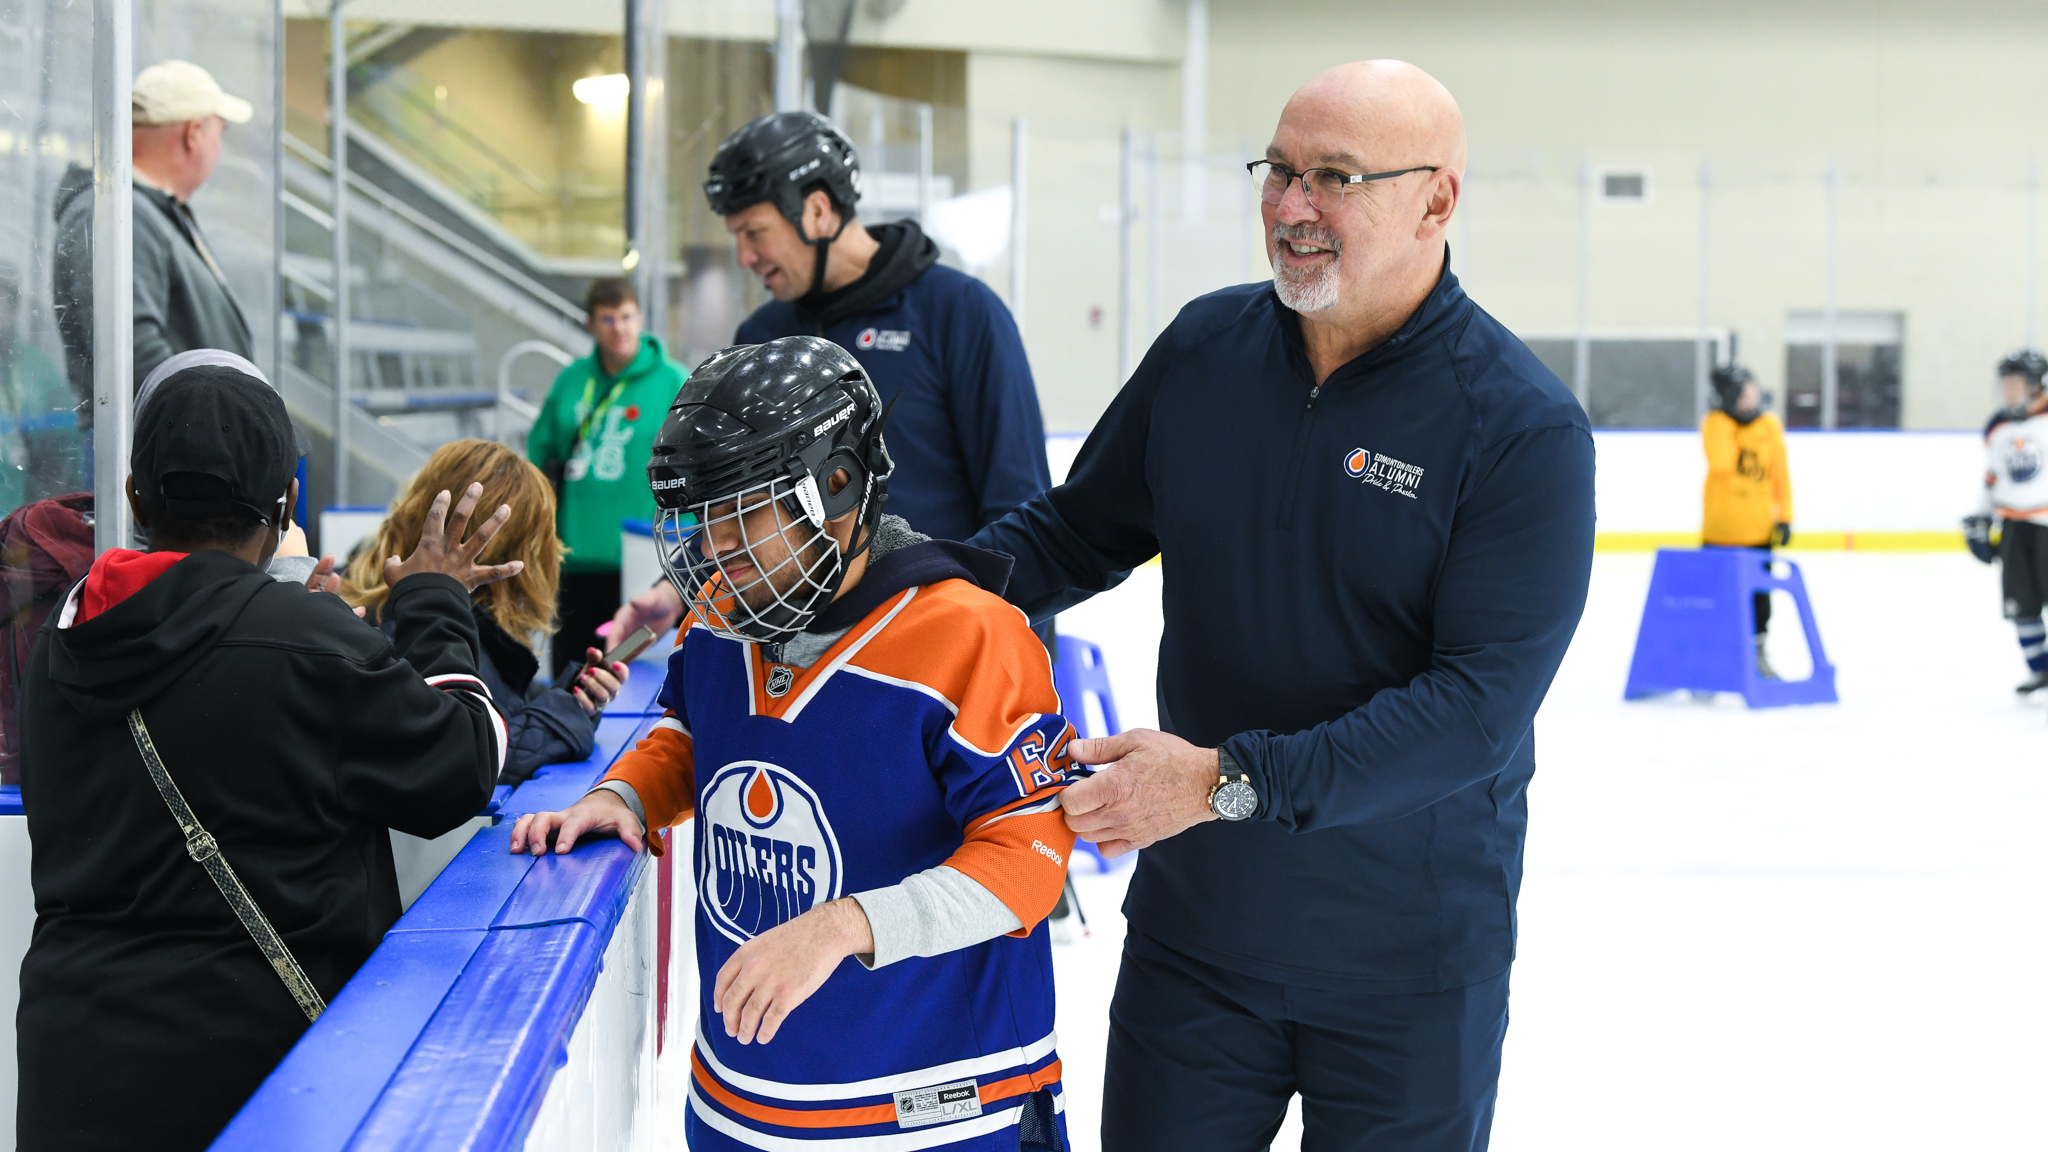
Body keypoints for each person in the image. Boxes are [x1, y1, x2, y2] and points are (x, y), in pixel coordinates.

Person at [966, 61, 1596, 1150]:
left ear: (1435, 199)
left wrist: (1220, 783)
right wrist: (878, 584)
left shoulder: (1517, 429)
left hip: (1409, 970)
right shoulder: (1205, 352)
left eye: (1334, 178)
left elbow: (1471, 712)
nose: (1291, 208)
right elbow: (1071, 533)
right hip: (1199, 947)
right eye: (1278, 170)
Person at [512, 337, 1079, 1151]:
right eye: (699, 521)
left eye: (739, 517)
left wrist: (843, 925)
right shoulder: (724, 615)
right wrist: (625, 794)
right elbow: (689, 729)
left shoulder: (973, 635)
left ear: (837, 486)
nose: (712, 550)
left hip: (936, 1111)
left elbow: (1030, 860)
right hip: (742, 1102)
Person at [15, 362, 519, 1151]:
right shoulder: (305, 643)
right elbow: (465, 759)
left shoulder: (61, 641)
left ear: (135, 497)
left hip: (72, 1071)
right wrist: (434, 598)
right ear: (287, 503)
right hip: (258, 1086)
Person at [608, 111, 1051, 643]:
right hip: (796, 655)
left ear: (817, 210)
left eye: (755, 233)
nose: (745, 257)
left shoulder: (959, 313)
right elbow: (735, 497)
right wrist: (675, 590)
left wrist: (1001, 653)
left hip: (930, 647)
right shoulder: (764, 333)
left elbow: (1018, 505)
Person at [345, 439, 630, 785]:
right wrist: (564, 715)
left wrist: (569, 698)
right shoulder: (413, 630)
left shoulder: (418, 614)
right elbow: (474, 754)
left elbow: (496, 704)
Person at [52, 60, 255, 432]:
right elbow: (133, 353)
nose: (219, 149)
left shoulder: (141, 210)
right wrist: (212, 433)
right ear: (193, 133)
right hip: (160, 460)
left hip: (173, 455)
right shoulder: (117, 212)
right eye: (219, 132)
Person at [527, 277, 687, 675]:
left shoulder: (673, 380)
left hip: (643, 559)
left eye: (627, 316)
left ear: (641, 318)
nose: (620, 328)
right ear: (591, 324)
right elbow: (540, 453)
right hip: (575, 555)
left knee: (631, 671)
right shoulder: (572, 380)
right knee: (572, 674)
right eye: (608, 319)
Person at [1701, 361, 1794, 679]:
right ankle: (1715, 658)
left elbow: (1780, 474)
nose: (1752, 401)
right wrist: (1729, 418)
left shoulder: (1768, 427)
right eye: (1743, 396)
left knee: (1759, 601)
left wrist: (1786, 516)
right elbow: (1722, 462)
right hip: (1721, 533)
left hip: (1758, 532)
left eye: (1754, 393)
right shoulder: (1715, 425)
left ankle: (1757, 653)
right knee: (1718, 600)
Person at [1965, 349, 2048, 694]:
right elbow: (1993, 477)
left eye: (2015, 383)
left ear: (2035, 385)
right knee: (2021, 604)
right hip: (2014, 527)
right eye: (2005, 383)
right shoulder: (1997, 426)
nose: (2008, 390)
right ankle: (2041, 670)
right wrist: (1980, 519)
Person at [0, 264, 83, 511]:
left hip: (25, 518)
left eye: (3, 300)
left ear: (14, 308)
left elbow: (65, 447)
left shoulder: (38, 370)